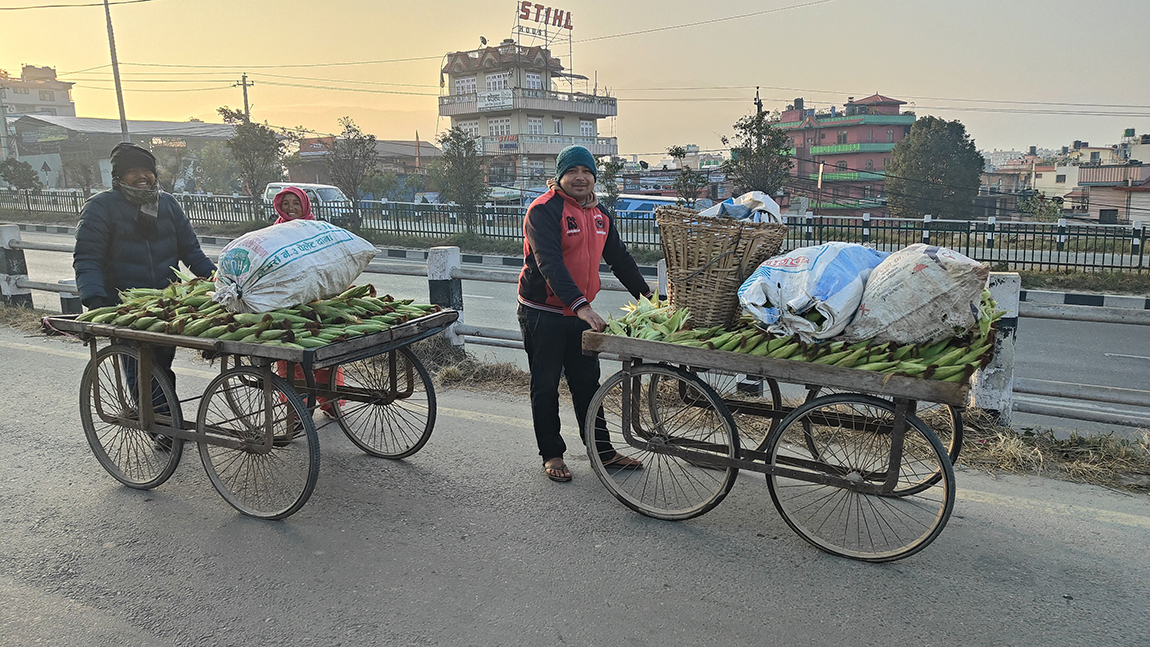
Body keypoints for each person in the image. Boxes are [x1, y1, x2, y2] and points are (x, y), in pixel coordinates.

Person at [518, 145, 653, 482]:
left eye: (586, 172)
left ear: (594, 177)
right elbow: (549, 264)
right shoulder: (543, 211)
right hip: (543, 312)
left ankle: (602, 452)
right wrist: (581, 305)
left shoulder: (600, 214)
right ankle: (552, 453)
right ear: (560, 177)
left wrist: (649, 297)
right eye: (572, 172)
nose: (580, 177)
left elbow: (619, 259)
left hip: (580, 314)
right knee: (546, 386)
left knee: (588, 385)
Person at [73, 143, 217, 442]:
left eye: (147, 172)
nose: (142, 177)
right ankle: (159, 427)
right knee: (138, 365)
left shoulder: (168, 204)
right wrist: (96, 300)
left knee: (163, 364)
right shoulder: (101, 207)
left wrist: (219, 280)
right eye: (132, 172)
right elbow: (87, 258)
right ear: (119, 177)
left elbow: (191, 252)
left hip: (165, 304)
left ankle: (166, 418)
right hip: (125, 305)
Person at [269, 186, 343, 425]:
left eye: (296, 203)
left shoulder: (315, 230)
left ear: (305, 205)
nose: (291, 208)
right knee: (291, 357)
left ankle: (331, 402)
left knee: (325, 351)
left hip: (316, 300)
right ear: (279, 206)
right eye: (286, 203)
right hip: (285, 302)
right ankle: (297, 409)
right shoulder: (272, 233)